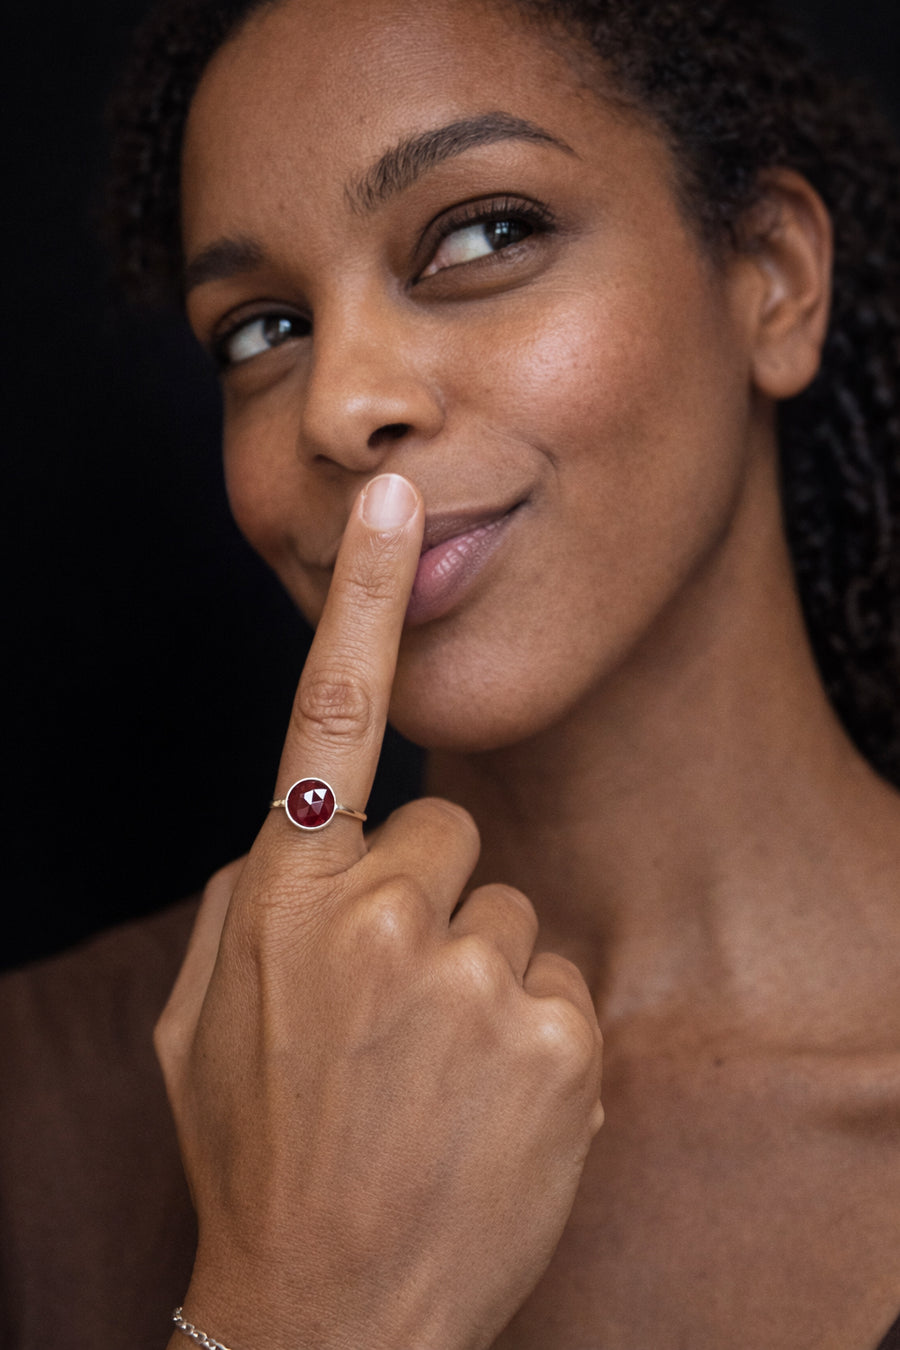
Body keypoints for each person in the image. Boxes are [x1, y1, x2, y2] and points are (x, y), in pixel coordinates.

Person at [2, 0, 900, 1346]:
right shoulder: (39, 1108)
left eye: (484, 233)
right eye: (261, 328)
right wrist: (294, 1299)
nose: (338, 404)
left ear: (772, 277)